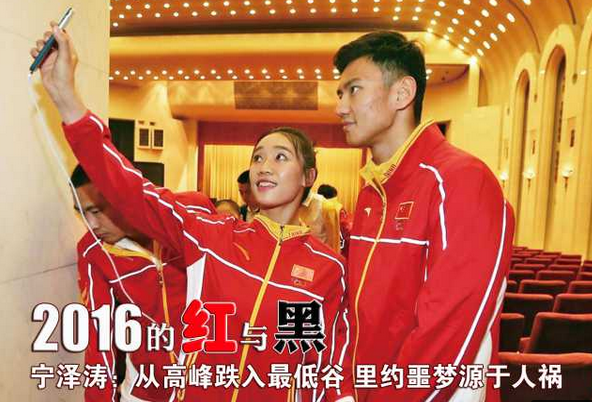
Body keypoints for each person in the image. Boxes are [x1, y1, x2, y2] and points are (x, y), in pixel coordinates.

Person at [31, 23, 352, 402]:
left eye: (280, 157)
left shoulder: (329, 267)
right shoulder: (212, 235)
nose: (264, 167)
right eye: (257, 157)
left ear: (308, 177)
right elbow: (133, 192)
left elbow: (328, 369)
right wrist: (67, 99)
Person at [334, 31, 515, 401]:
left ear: (402, 93)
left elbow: (446, 335)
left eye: (353, 90)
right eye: (340, 94)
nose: (340, 107)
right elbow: (356, 315)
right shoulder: (372, 191)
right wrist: (347, 389)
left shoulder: (461, 180)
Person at [71, 164, 215, 402]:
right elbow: (98, 337)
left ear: (126, 195)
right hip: (145, 389)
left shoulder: (192, 209)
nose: (91, 225)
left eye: (96, 211)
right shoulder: (93, 251)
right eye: (82, 213)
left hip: (207, 381)